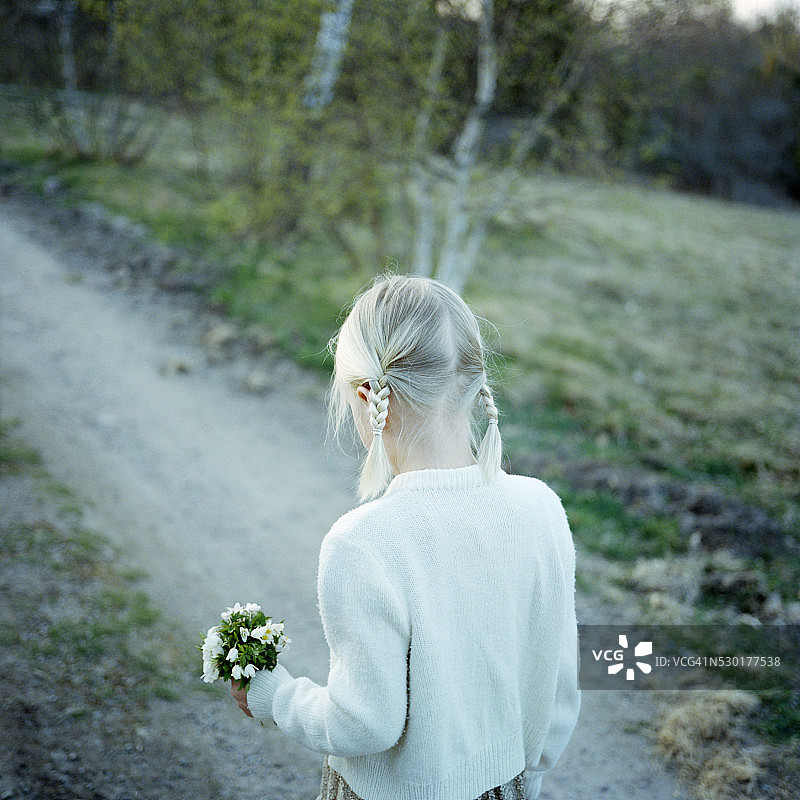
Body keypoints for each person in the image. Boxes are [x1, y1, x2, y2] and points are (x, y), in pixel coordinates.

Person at [231, 274, 581, 800]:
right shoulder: (541, 507)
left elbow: (365, 724)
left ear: (368, 395)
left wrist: (274, 693)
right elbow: (559, 682)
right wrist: (526, 778)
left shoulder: (364, 544)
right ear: (472, 380)